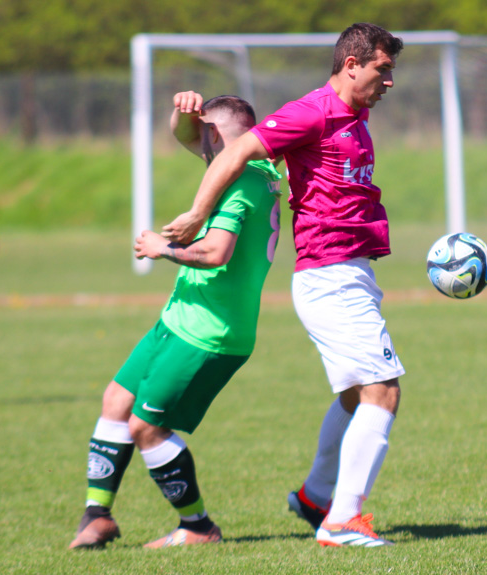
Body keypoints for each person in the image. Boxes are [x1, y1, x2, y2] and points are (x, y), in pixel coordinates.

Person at [162, 23, 405, 547]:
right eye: (383, 70)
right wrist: (197, 212)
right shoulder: (310, 112)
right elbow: (230, 152)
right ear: (351, 65)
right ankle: (342, 521)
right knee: (383, 392)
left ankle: (317, 497)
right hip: (330, 273)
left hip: (348, 271)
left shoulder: (354, 115)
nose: (389, 82)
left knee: (353, 397)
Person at [68, 92, 282, 549]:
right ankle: (97, 515)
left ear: (216, 136)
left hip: (210, 334)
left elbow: (215, 252)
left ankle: (199, 528)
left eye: (203, 134)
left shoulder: (239, 182)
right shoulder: (240, 165)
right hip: (179, 319)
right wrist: (183, 111)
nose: (196, 145)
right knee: (116, 402)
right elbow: (185, 133)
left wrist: (160, 249)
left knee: (146, 429)